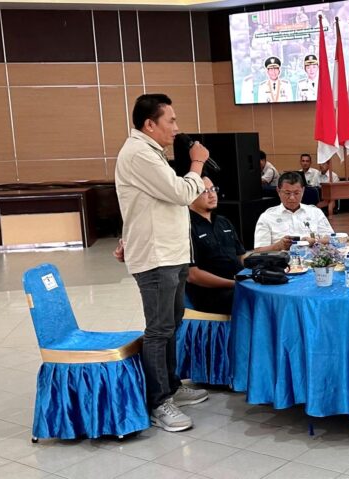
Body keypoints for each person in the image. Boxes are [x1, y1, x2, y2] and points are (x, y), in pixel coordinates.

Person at [115, 93, 210, 433]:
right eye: (170, 120)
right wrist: (197, 163)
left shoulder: (150, 151)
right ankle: (159, 402)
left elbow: (145, 206)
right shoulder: (139, 153)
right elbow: (181, 193)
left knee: (172, 322)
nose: (176, 127)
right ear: (149, 124)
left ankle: (170, 385)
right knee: (159, 329)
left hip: (171, 253)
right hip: (157, 258)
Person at [187, 177, 247, 315]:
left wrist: (259, 270)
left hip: (237, 283)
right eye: (204, 191)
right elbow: (192, 275)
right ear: (190, 196)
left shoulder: (223, 222)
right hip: (211, 293)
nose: (212, 195)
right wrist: (234, 283)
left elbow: (241, 256)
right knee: (253, 299)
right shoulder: (186, 227)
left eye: (213, 189)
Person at [254, 171, 334, 251]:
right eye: (287, 193)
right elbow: (258, 251)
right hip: (282, 258)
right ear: (278, 191)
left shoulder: (315, 212)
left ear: (303, 191)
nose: (292, 198)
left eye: (296, 193)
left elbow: (332, 239)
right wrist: (278, 246)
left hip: (314, 257)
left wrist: (314, 242)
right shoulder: (267, 217)